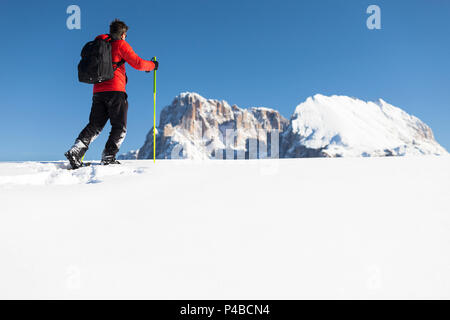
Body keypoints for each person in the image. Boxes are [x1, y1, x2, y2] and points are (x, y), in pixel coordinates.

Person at [65, 19, 158, 168]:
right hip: (116, 92)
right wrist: (153, 66)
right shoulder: (121, 45)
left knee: (95, 125)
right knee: (119, 126)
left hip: (98, 92)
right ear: (123, 34)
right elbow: (139, 64)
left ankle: (76, 151)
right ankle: (108, 156)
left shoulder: (100, 45)